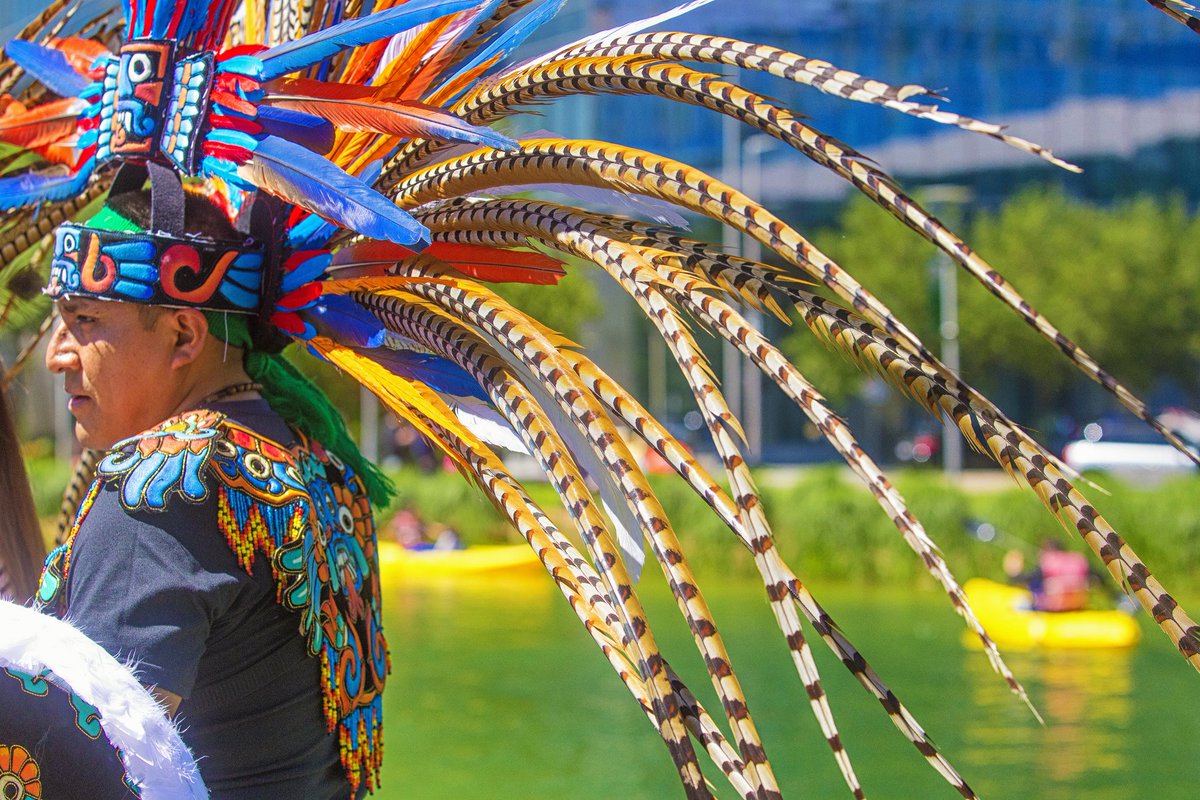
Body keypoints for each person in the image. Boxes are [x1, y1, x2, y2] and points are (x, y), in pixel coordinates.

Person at [35, 172, 390, 798]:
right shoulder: (323, 462)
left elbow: (84, 775)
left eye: (85, 319)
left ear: (183, 336)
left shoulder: (161, 488)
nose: (57, 356)